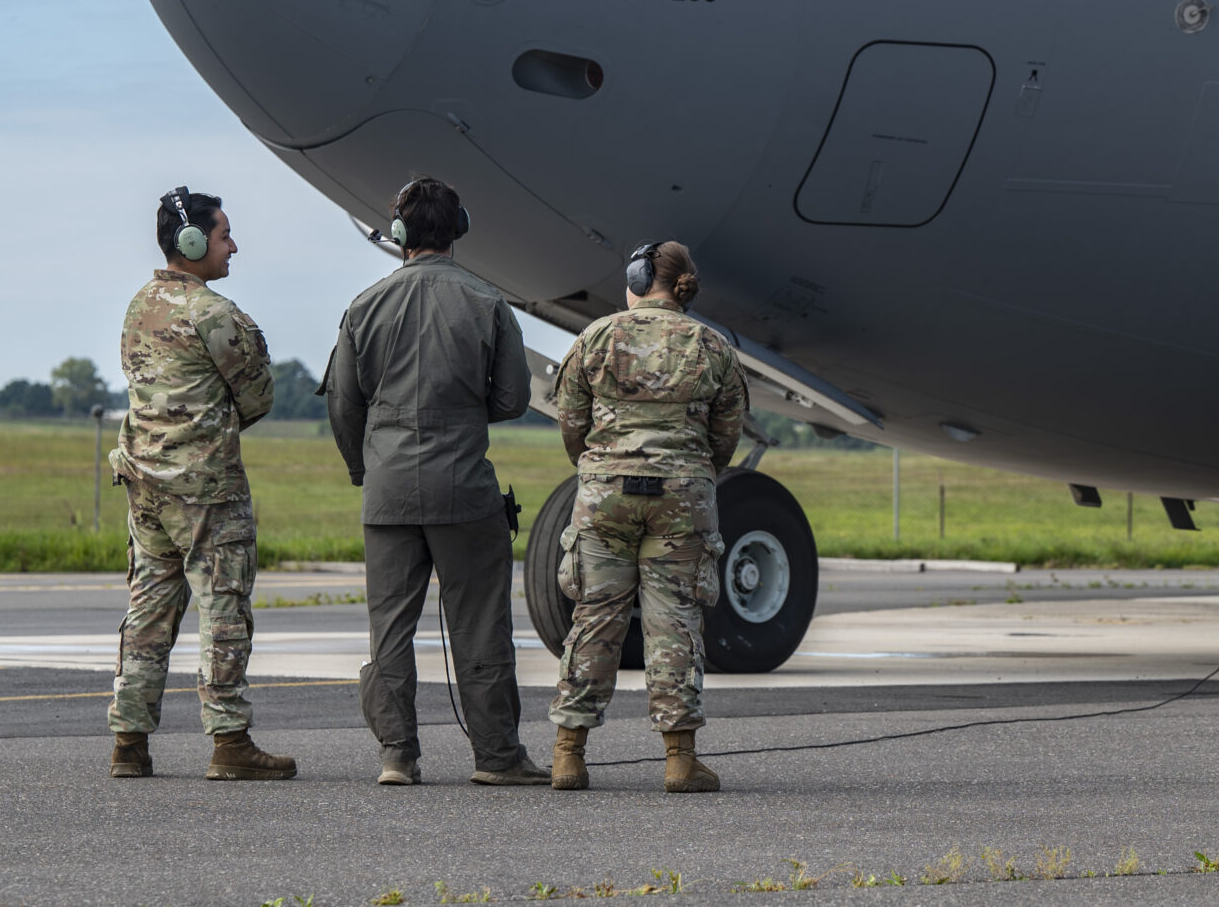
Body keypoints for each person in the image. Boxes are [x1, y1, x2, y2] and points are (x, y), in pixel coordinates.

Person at [325, 177, 546, 787]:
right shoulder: (487, 302)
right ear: (459, 230)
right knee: (479, 624)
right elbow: (512, 398)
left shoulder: (363, 305)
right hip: (465, 489)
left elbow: (344, 405)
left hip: (387, 491)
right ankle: (497, 756)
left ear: (397, 234)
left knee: (389, 627)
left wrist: (363, 471)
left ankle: (397, 754)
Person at [106, 187, 294, 781]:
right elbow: (258, 396)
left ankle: (129, 741)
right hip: (206, 491)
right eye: (223, 235)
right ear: (192, 244)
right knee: (224, 611)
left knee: (149, 612)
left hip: (145, 485)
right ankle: (230, 742)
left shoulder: (139, 305)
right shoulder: (214, 313)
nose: (232, 246)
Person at [547, 240, 747, 793]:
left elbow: (570, 422)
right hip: (681, 499)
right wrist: (691, 470)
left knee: (594, 618)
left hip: (606, 495)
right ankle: (680, 760)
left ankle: (569, 754)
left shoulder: (597, 336)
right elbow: (726, 435)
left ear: (636, 276)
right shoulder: (712, 345)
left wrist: (600, 468)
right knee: (676, 622)